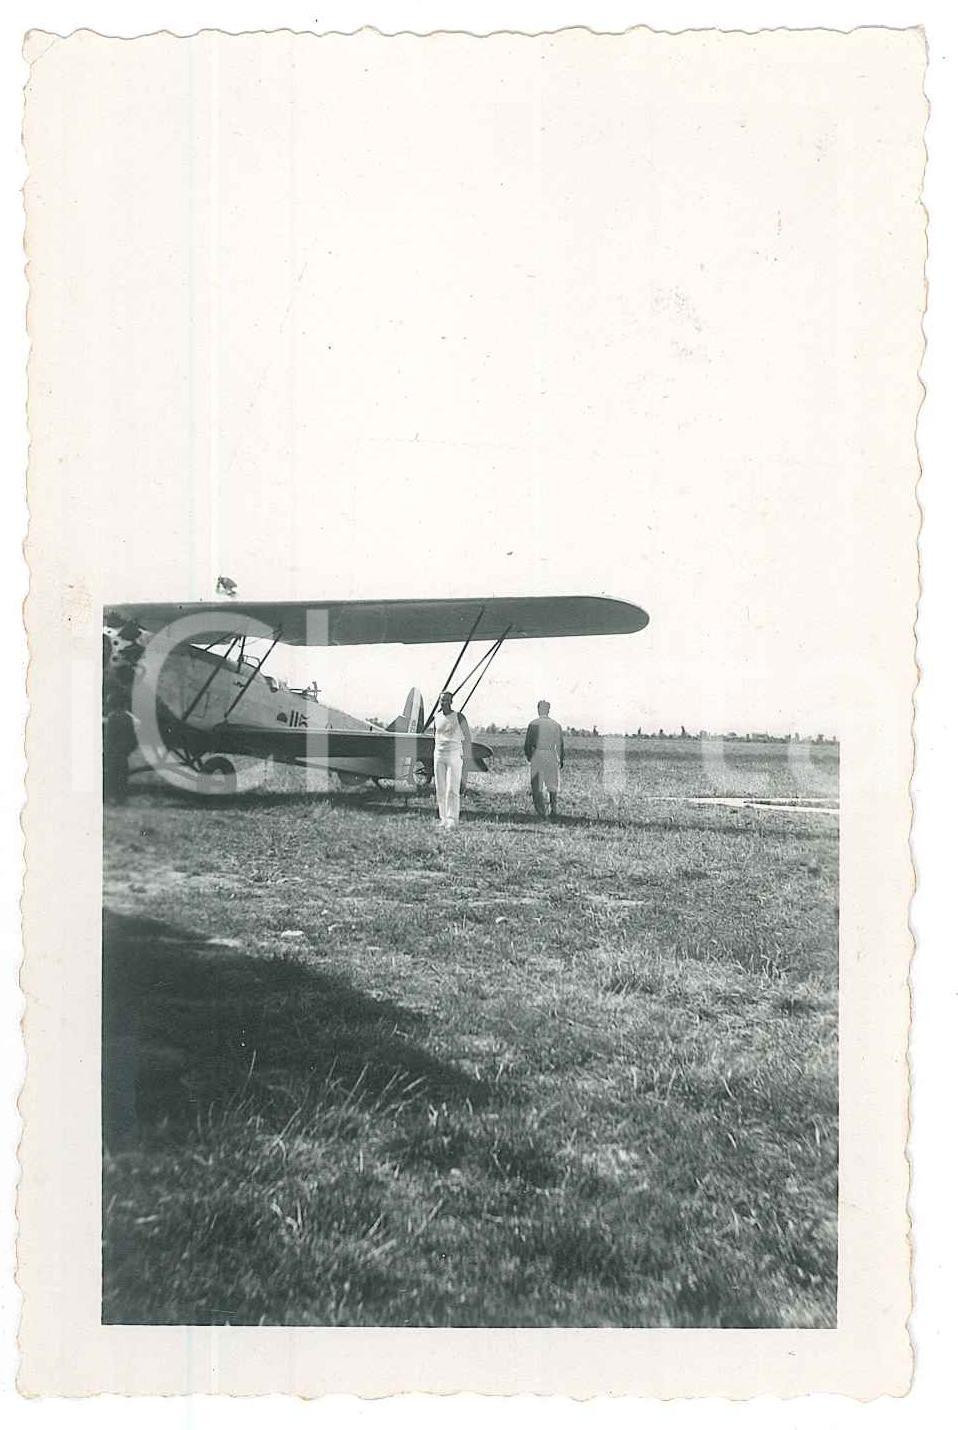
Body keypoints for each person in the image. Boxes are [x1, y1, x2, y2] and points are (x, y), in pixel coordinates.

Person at [433, 691, 473, 830]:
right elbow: (436, 737)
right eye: (442, 700)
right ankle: (443, 818)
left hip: (454, 755)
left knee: (452, 788)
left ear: (451, 702)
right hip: (439, 755)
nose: (444, 703)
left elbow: (467, 738)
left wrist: (466, 757)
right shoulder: (436, 718)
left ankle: (452, 820)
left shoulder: (459, 717)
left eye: (447, 700)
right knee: (440, 788)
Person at [524, 699, 565, 818]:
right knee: (552, 784)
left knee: (537, 785)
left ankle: (541, 812)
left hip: (538, 754)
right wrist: (561, 759)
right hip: (551, 754)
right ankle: (553, 810)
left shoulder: (533, 724)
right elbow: (560, 744)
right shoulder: (556, 725)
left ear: (538, 709)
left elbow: (527, 744)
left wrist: (530, 757)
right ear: (548, 710)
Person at [103, 689, 139, 806]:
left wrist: (106, 750)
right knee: (122, 775)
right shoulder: (129, 718)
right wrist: (129, 749)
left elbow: (109, 737)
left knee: (110, 774)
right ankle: (121, 798)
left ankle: (109, 797)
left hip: (112, 752)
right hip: (123, 752)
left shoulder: (112, 718)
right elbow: (134, 737)